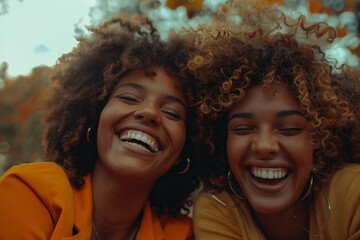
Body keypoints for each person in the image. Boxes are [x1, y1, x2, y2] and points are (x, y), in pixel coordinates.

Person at [0, 12, 203, 240]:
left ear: (184, 150)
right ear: (95, 119)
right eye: (129, 97)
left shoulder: (183, 234)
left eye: (171, 112)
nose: (149, 113)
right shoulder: (31, 193)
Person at [185, 1, 360, 239]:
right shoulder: (218, 208)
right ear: (221, 140)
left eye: (288, 129)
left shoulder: (353, 192)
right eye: (244, 128)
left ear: (320, 141)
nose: (264, 146)